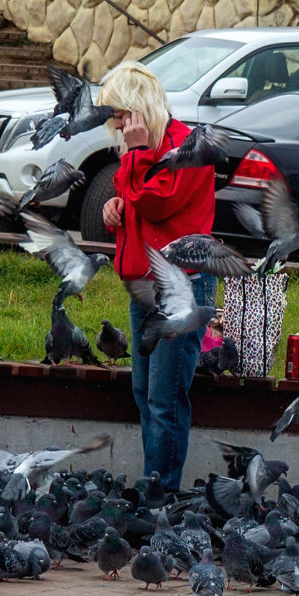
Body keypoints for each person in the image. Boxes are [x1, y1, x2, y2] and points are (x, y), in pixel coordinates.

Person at [98, 62, 217, 493]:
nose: (114, 124)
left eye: (118, 115)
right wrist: (115, 213)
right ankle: (154, 485)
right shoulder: (147, 151)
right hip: (145, 288)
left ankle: (161, 493)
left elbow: (158, 203)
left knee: (165, 399)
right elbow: (141, 211)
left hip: (180, 289)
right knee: (145, 393)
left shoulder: (187, 147)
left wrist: (134, 155)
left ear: (137, 109)